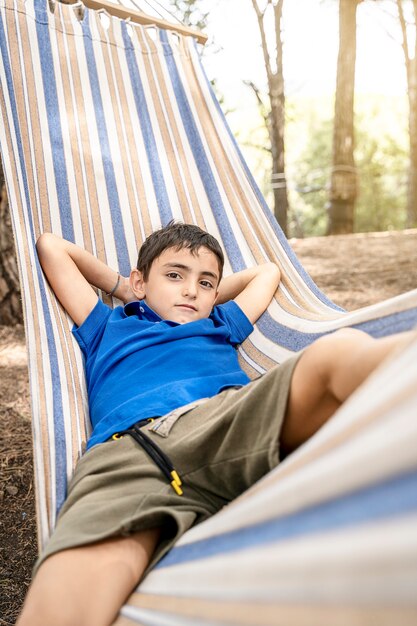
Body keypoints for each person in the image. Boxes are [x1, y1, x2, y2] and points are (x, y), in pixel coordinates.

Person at [18, 221, 412, 626]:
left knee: (334, 353)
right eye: (174, 276)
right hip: (129, 453)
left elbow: (267, 273)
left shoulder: (220, 322)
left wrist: (202, 298)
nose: (191, 290)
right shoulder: (107, 326)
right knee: (72, 596)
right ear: (140, 281)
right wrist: (125, 288)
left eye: (206, 283)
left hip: (228, 423)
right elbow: (52, 247)